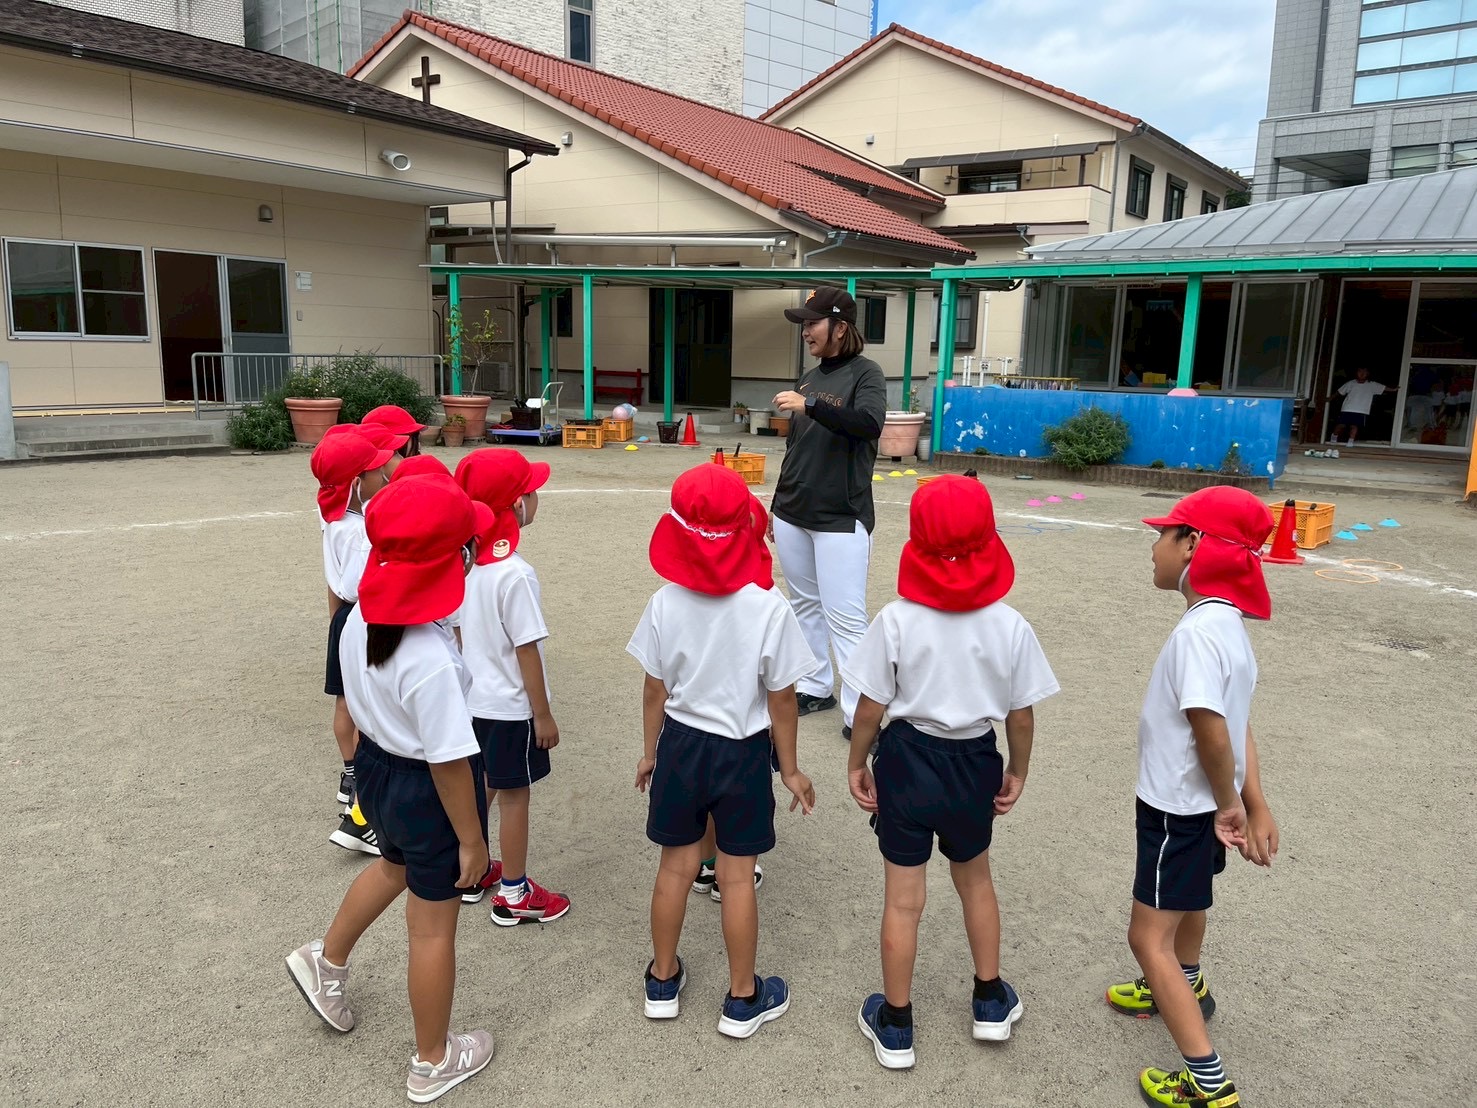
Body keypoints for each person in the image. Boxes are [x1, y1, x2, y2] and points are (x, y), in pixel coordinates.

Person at [286, 473, 499, 1104]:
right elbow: (449, 764)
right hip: (427, 791)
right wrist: (471, 841)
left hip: (377, 770)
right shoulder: (428, 659)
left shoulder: (358, 619)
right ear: (454, 562)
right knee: (431, 930)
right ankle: (433, 1059)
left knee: (391, 865)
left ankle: (327, 959)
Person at [843, 476, 1059, 1070]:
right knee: (976, 881)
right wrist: (1017, 770)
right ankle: (989, 999)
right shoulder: (1008, 624)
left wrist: (858, 762)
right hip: (975, 760)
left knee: (903, 899)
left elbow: (870, 707)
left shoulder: (896, 619)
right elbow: (1021, 714)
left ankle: (896, 1023)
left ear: (916, 540)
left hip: (908, 759)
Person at [628, 464, 818, 1036]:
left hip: (681, 746)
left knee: (674, 868)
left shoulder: (666, 601)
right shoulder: (768, 605)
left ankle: (662, 980)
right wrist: (790, 769)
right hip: (742, 750)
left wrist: (649, 752)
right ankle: (741, 997)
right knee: (737, 877)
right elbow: (782, 699)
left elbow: (654, 689)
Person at [1108, 486, 1280, 1108]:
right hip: (1203, 804)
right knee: (1189, 899)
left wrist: (1232, 802)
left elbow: (1212, 730)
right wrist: (1249, 802)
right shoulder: (1226, 624)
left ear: (1193, 544)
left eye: (1163, 534)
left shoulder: (1197, 635)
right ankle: (1187, 982)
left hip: (1177, 806)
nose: (1153, 546)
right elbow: (1238, 725)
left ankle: (1207, 1081)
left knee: (1147, 937)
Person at [453, 448, 571, 925]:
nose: (537, 497)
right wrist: (542, 713)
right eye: (532, 491)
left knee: (483, 783)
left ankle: (471, 868)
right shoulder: (516, 574)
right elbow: (526, 649)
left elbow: (459, 634)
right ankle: (515, 891)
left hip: (474, 701)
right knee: (515, 795)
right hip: (510, 708)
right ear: (517, 505)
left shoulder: (464, 563)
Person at [770, 287, 888, 740]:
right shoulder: (809, 376)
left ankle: (861, 713)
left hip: (841, 515)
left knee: (846, 617)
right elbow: (796, 447)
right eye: (803, 324)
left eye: (812, 323)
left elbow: (869, 425)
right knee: (804, 605)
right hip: (793, 510)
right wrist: (776, 504)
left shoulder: (866, 373)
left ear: (840, 327)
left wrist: (813, 405)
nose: (805, 332)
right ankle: (816, 686)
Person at [311, 427, 397, 855]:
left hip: (344, 620)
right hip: (366, 617)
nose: (386, 474)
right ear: (357, 483)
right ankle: (361, 814)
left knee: (346, 705)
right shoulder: (362, 533)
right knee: (371, 715)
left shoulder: (333, 517)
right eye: (378, 471)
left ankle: (351, 780)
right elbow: (358, 586)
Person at [691, 493, 776, 904]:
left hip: (690, 731)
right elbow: (780, 689)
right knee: (739, 812)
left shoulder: (679, 594)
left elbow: (657, 683)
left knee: (703, 801)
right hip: (745, 732)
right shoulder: (768, 602)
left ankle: (707, 864)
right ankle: (731, 870)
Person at [1329, 367, 1386, 446]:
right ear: (1356, 372)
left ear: (1368, 373)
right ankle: (1334, 437)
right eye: (1360, 371)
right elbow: (1339, 392)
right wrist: (1330, 398)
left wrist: (1395, 389)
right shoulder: (1351, 383)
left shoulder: (1372, 384)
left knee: (1354, 426)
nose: (1362, 374)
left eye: (1364, 372)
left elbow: (1384, 388)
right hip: (1347, 408)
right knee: (1341, 425)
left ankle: (1350, 442)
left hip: (1361, 410)